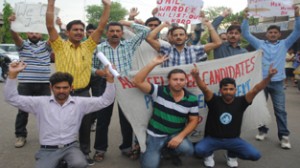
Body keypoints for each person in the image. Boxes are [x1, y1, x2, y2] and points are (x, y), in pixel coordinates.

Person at [4, 61, 115, 168]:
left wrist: (110, 80)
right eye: (57, 87)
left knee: (80, 164)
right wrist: (12, 75)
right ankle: (51, 160)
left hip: (71, 147)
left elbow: (105, 101)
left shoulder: (80, 103)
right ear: (51, 88)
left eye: (65, 88)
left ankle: (65, 162)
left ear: (71, 88)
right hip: (48, 149)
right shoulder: (40, 103)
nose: (61, 91)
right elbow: (12, 98)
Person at [46, 0, 111, 165]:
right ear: (67, 32)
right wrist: (51, 3)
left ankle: (84, 153)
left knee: (84, 127)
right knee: (59, 126)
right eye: (75, 29)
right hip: (61, 93)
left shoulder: (88, 46)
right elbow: (50, 26)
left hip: (83, 93)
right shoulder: (59, 46)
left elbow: (102, 26)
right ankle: (59, 155)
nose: (79, 32)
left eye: (81, 30)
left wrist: (107, 6)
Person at [191, 63, 278, 167]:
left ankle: (232, 155)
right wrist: (196, 76)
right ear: (220, 90)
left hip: (233, 139)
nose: (228, 92)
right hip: (212, 138)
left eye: (231, 89)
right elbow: (204, 89)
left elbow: (256, 89)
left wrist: (269, 77)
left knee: (255, 155)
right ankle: (209, 154)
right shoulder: (213, 100)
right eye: (225, 89)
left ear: (235, 90)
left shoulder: (242, 101)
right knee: (198, 150)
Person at [241, 6, 300, 149]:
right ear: (266, 34)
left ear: (279, 35)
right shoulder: (259, 43)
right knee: (261, 108)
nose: (273, 34)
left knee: (280, 110)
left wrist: (297, 15)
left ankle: (284, 136)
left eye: (275, 32)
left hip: (278, 83)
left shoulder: (285, 44)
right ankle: (262, 130)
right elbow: (246, 33)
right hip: (262, 83)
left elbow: (297, 31)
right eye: (270, 32)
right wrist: (245, 18)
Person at [93, 20, 150, 162]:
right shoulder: (98, 48)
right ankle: (100, 149)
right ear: (107, 32)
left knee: (127, 118)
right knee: (102, 119)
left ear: (122, 33)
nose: (115, 34)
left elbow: (146, 31)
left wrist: (128, 22)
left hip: (126, 85)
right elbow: (91, 67)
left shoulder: (129, 45)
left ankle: (126, 147)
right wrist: (100, 72)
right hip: (106, 83)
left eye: (118, 31)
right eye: (112, 31)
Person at [132, 55, 199, 168]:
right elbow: (137, 81)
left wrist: (180, 137)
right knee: (149, 166)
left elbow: (194, 120)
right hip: (155, 135)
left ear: (186, 81)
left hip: (175, 134)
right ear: (169, 81)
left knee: (189, 150)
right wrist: (153, 63)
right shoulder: (159, 91)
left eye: (182, 79)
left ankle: (170, 151)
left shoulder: (192, 99)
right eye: (175, 79)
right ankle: (147, 150)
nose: (178, 82)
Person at [8, 14, 52, 148]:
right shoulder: (22, 45)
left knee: (46, 111)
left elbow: (54, 35)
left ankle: (48, 135)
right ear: (27, 33)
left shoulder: (46, 45)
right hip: (25, 84)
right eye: (31, 32)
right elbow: (15, 36)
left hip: (44, 84)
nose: (34, 34)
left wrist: (55, 24)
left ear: (41, 34)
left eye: (37, 32)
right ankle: (20, 135)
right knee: (22, 111)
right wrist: (13, 25)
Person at [146, 20, 222, 67]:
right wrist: (163, 25)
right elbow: (149, 38)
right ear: (172, 37)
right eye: (175, 35)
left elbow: (217, 43)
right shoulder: (166, 49)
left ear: (186, 37)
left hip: (189, 87)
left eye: (181, 34)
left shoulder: (194, 49)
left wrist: (209, 25)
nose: (178, 37)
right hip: (170, 88)